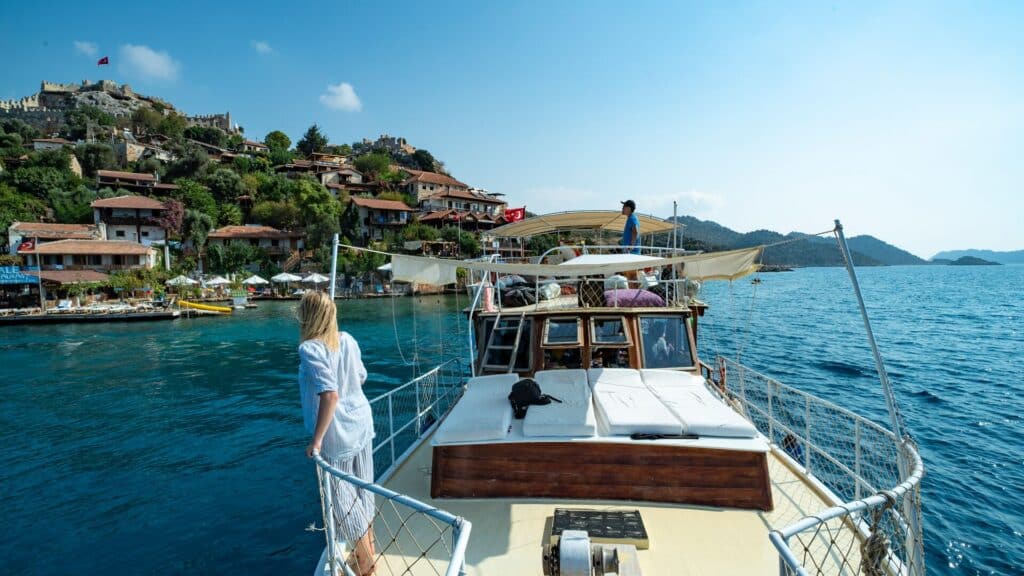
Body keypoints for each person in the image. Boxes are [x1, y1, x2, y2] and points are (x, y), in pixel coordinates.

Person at [298, 291, 376, 575]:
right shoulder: (348, 340)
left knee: (343, 503)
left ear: (307, 316)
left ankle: (367, 564)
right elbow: (362, 376)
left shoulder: (310, 349)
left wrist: (316, 442)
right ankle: (366, 552)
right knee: (363, 490)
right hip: (361, 423)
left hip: (337, 433)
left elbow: (329, 395)